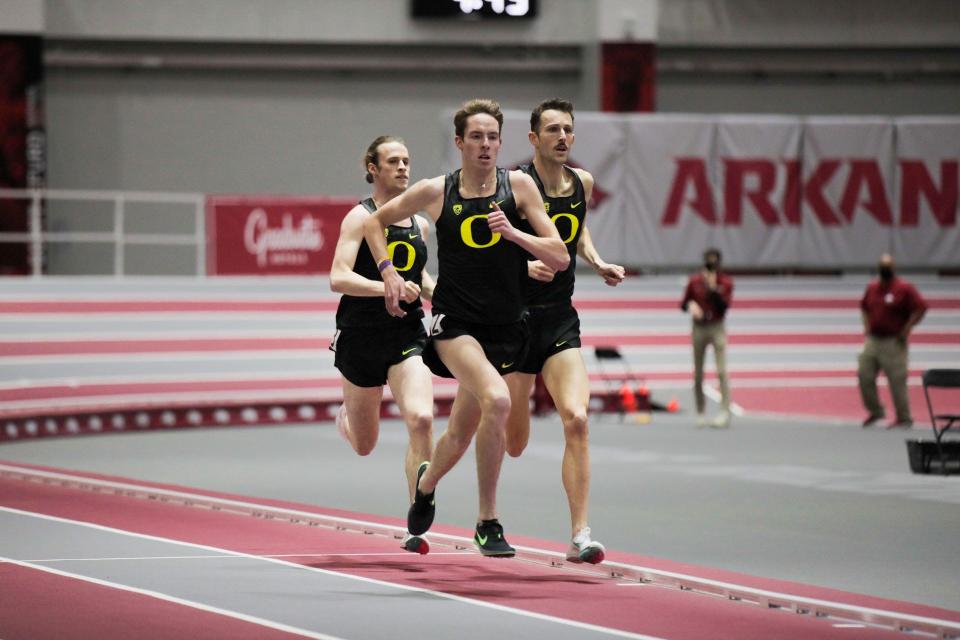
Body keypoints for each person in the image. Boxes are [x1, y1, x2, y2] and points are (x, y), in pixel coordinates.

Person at [363, 99, 569, 557]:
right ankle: (487, 521)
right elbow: (375, 221)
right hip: (454, 327)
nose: (486, 145)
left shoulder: (519, 188)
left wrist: (515, 234)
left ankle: (427, 484)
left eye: (493, 137)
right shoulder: (437, 191)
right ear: (459, 143)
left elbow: (559, 256)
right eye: (476, 137)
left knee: (459, 432)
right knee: (497, 399)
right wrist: (390, 273)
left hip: (507, 328)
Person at [504, 98, 625, 564]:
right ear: (533, 138)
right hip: (513, 320)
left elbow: (575, 232)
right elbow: (493, 245)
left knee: (577, 417)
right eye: (552, 129)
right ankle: (485, 512)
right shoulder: (514, 186)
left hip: (558, 316)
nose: (562, 137)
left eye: (567, 130)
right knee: (515, 443)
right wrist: (522, 265)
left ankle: (580, 534)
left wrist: (597, 262)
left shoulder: (582, 182)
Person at [329, 135, 436, 554]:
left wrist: (436, 292)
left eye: (407, 160)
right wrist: (385, 287)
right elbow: (338, 277)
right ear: (372, 168)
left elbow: (420, 278)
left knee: (422, 418)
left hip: (406, 336)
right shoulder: (359, 217)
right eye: (393, 161)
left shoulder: (419, 223)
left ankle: (417, 515)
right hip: (360, 337)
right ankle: (346, 419)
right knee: (364, 444)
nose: (403, 168)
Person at [858, 253, 927, 428]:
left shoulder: (904, 288)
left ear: (893, 268)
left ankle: (904, 417)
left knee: (897, 380)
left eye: (888, 265)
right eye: (883, 265)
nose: (885, 268)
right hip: (873, 340)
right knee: (864, 375)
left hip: (894, 341)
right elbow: (864, 307)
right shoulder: (872, 287)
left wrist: (908, 327)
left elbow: (921, 307)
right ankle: (876, 411)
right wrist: (866, 326)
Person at [681, 247, 734, 428]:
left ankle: (724, 411)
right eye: (708, 263)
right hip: (699, 328)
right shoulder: (694, 281)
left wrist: (713, 288)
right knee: (698, 373)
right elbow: (683, 303)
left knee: (721, 371)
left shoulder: (725, 282)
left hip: (717, 326)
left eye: (714, 263)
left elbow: (724, 307)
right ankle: (700, 411)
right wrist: (691, 306)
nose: (711, 266)